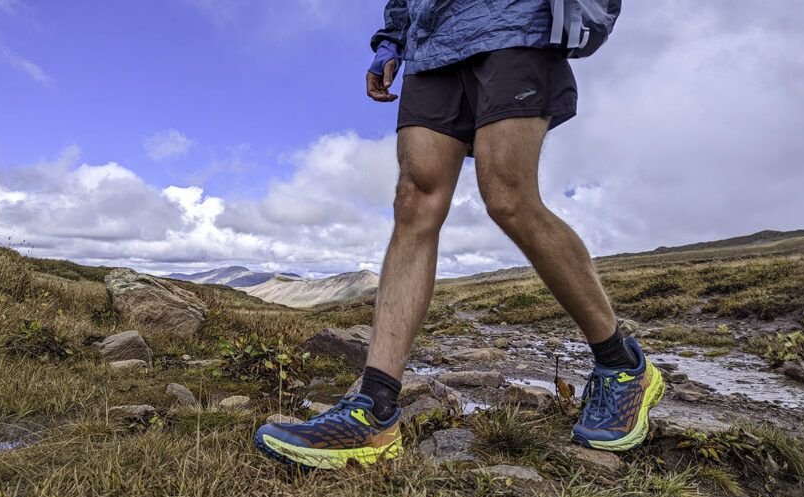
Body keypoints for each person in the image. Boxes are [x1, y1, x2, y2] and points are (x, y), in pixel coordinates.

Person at [255, 0, 663, 470]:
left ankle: (621, 363)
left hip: (515, 25)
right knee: (414, 200)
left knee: (509, 195)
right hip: (432, 45)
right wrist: (391, 40)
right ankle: (375, 410)